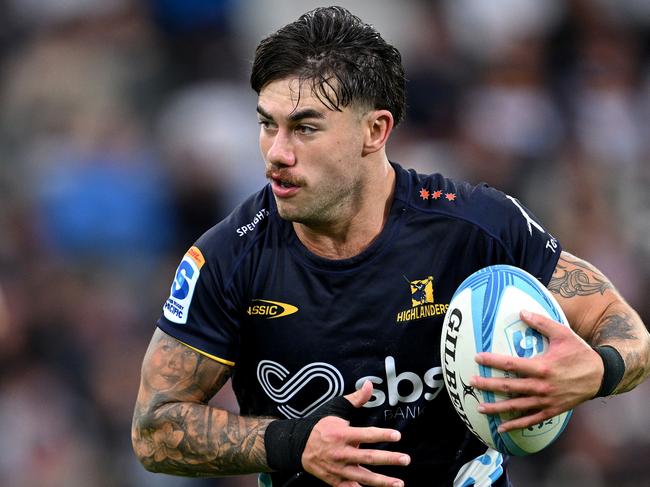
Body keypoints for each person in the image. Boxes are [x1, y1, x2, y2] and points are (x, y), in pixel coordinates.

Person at [132, 6, 650, 486]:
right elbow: (153, 430)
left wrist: (598, 369)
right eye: (267, 125)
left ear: (375, 131)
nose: (277, 153)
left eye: (305, 128)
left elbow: (623, 328)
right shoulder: (228, 257)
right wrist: (292, 442)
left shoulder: (475, 226)